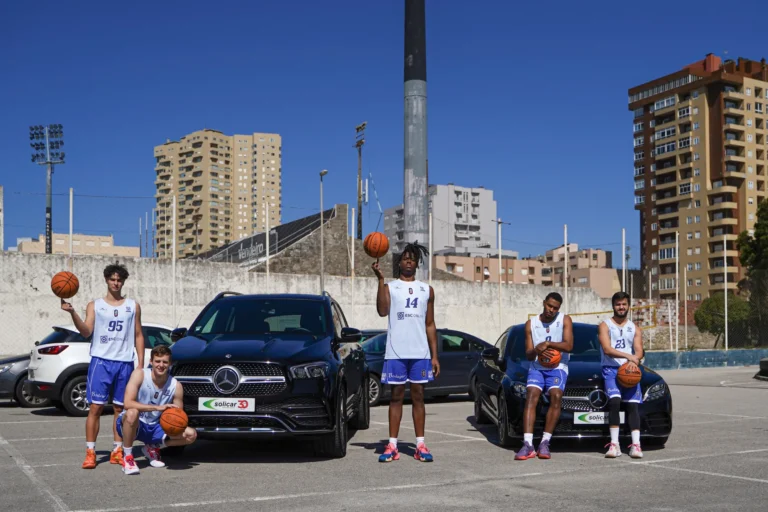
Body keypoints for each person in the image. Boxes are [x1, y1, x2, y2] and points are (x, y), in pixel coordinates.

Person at [61, 263, 145, 469]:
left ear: (123, 282)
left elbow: (138, 335)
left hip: (125, 362)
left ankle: (117, 450)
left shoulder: (132, 306)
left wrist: (140, 364)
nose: (116, 283)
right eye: (112, 279)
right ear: (106, 280)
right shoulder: (95, 305)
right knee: (96, 407)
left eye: (119, 280)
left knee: (120, 408)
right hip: (101, 360)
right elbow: (86, 332)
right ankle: (91, 452)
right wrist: (72, 313)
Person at [371, 241, 440, 463]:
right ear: (399, 263)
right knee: (396, 396)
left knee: (419, 397)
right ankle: (392, 445)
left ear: (417, 263)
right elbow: (382, 311)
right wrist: (381, 280)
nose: (408, 261)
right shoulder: (390, 287)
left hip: (420, 352)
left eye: (412, 258)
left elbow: (430, 324)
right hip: (396, 351)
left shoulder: (426, 289)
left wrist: (434, 355)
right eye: (405, 258)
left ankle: (420, 444)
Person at [118, 345, 197, 475]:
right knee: (132, 412)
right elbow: (127, 403)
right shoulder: (140, 374)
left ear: (170, 364)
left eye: (165, 362)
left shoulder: (175, 385)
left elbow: (178, 417)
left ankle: (153, 447)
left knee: (191, 435)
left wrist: (173, 421)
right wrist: (157, 407)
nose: (161, 365)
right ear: (151, 362)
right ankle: (128, 457)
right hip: (135, 423)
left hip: (155, 426)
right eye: (157, 361)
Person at [515, 292, 573, 460]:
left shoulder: (565, 320)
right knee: (531, 396)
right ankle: (527, 445)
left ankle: (545, 442)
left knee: (556, 395)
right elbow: (528, 354)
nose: (551, 310)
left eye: (555, 308)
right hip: (537, 366)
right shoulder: (531, 324)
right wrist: (536, 350)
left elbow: (569, 346)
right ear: (544, 303)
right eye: (549, 306)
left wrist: (548, 343)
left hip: (558, 366)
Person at [598, 291, 644, 459]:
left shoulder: (634, 328)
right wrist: (628, 356)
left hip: (629, 370)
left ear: (628, 305)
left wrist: (635, 360)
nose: (621, 307)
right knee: (615, 402)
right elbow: (607, 349)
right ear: (613, 306)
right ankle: (614, 444)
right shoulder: (605, 325)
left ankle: (636, 446)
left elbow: (639, 351)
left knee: (632, 406)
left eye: (624, 304)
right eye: (618, 304)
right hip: (611, 370)